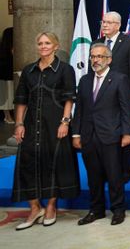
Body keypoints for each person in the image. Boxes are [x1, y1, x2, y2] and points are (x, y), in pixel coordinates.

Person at [11, 32, 80, 230]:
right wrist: (18, 124)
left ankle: (51, 206)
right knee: (27, 163)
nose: (43, 46)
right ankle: (34, 208)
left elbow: (69, 99)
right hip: (32, 125)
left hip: (55, 125)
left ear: (56, 46)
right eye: (40, 43)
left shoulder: (65, 70)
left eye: (47, 43)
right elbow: (21, 100)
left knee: (53, 163)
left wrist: (65, 122)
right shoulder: (28, 71)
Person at [71, 42, 130, 226]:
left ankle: (118, 210)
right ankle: (96, 210)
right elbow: (79, 110)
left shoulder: (120, 79)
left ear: (109, 60)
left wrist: (127, 133)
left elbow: (126, 109)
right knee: (93, 177)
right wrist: (76, 134)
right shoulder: (85, 81)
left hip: (111, 135)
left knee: (114, 176)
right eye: (93, 56)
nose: (95, 60)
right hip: (89, 136)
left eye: (100, 56)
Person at [94, 11, 130, 182]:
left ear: (118, 25)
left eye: (109, 22)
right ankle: (106, 170)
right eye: (103, 22)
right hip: (101, 97)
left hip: (123, 96)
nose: (105, 25)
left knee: (123, 133)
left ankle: (125, 171)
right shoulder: (97, 43)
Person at [0, 27, 15, 124]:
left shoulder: (2, 47)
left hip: (3, 76)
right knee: (7, 98)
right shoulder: (10, 49)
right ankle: (8, 117)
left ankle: (8, 116)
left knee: (5, 98)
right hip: (7, 76)